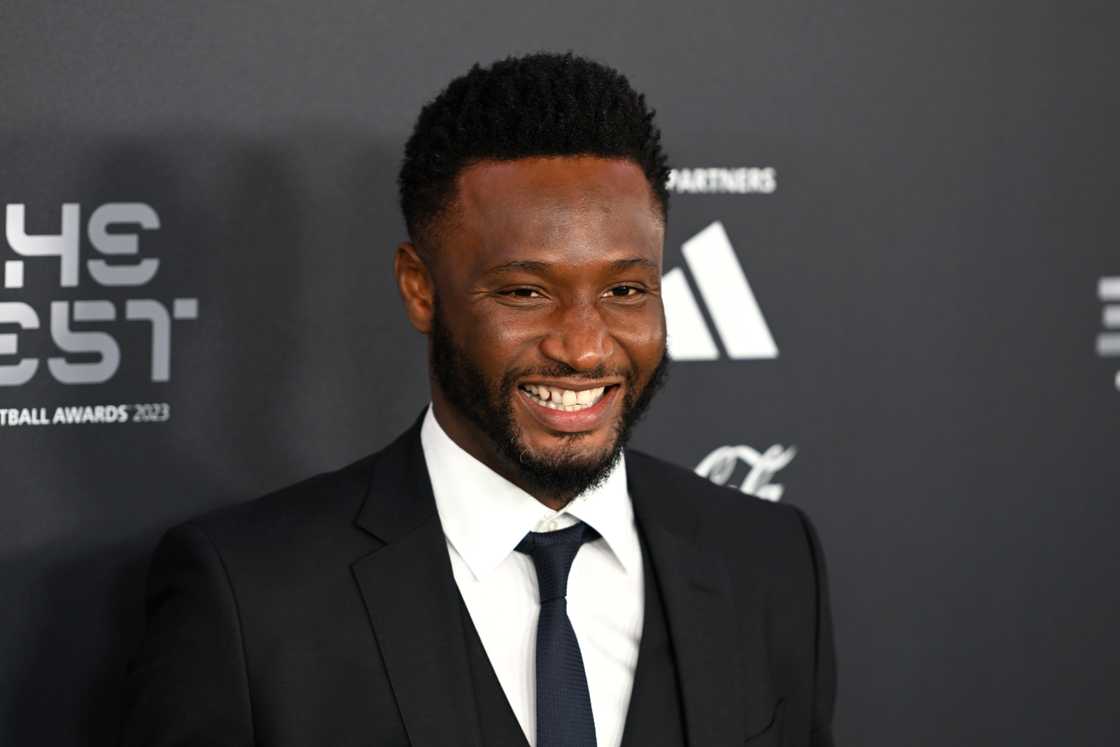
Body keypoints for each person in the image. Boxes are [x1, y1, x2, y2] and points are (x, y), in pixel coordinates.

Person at [119, 52, 836, 747]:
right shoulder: (249, 599)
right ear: (420, 287)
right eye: (525, 292)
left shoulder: (768, 560)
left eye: (625, 290)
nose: (584, 348)